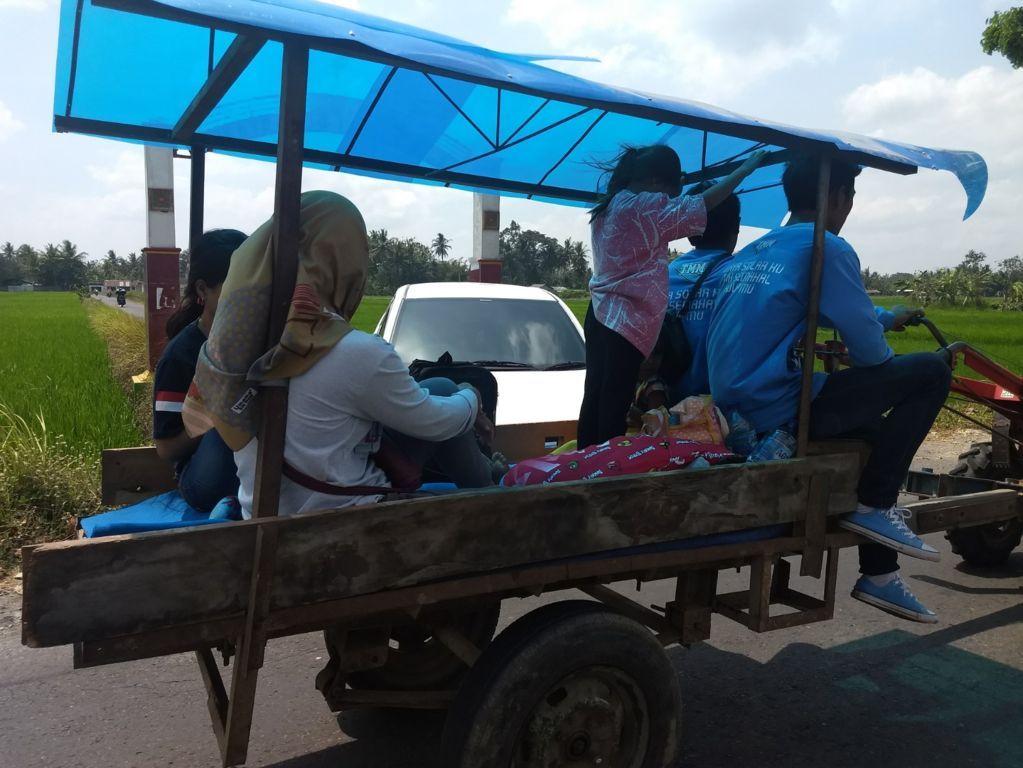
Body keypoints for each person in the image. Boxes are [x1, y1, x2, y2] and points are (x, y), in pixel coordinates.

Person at [707, 156, 950, 623]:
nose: (849, 209)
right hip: (779, 408)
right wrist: (878, 340)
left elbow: (809, 306)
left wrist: (880, 318)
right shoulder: (827, 247)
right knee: (932, 371)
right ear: (838, 197)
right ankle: (875, 505)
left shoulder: (753, 253)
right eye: (850, 199)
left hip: (735, 408)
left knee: (876, 438)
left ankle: (879, 577)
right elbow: (872, 356)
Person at [188, 191, 496, 518]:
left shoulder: (237, 345)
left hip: (262, 515)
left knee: (440, 392)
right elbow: (437, 423)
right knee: (449, 392)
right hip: (347, 518)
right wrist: (472, 397)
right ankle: (496, 503)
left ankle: (491, 479)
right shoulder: (354, 352)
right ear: (343, 260)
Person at [577, 144, 766, 448]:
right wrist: (744, 170)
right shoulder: (642, 207)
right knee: (614, 404)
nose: (668, 202)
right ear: (654, 183)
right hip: (623, 322)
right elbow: (700, 205)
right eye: (668, 193)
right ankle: (604, 475)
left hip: (600, 313)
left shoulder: (611, 205)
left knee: (596, 396)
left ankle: (584, 464)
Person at [153, 228, 247, 513]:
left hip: (246, 472)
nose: (246, 301)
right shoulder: (181, 355)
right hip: (202, 482)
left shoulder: (255, 340)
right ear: (203, 290)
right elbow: (166, 449)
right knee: (229, 421)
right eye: (234, 290)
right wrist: (215, 417)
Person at [666, 182, 741, 402]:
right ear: (736, 225)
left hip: (666, 401)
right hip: (717, 407)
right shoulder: (738, 274)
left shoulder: (666, 273)